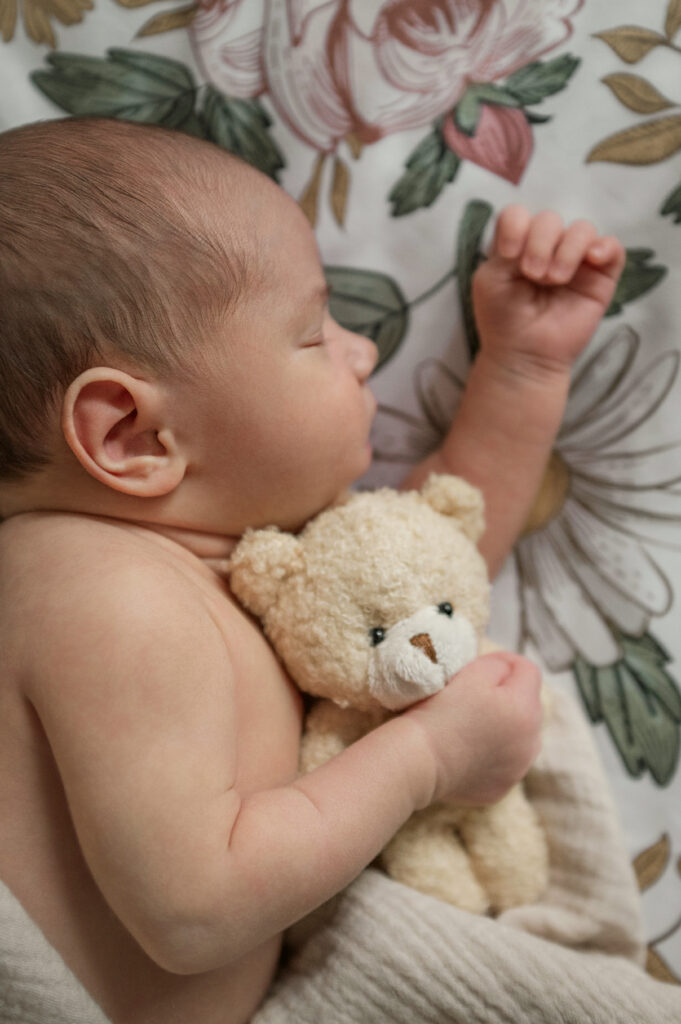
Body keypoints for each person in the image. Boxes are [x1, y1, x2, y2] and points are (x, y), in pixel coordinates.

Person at [0, 117, 625, 1024]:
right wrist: (428, 754)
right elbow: (191, 912)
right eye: (311, 333)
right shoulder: (94, 589)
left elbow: (423, 584)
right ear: (133, 436)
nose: (362, 350)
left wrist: (524, 367)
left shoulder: (222, 556)